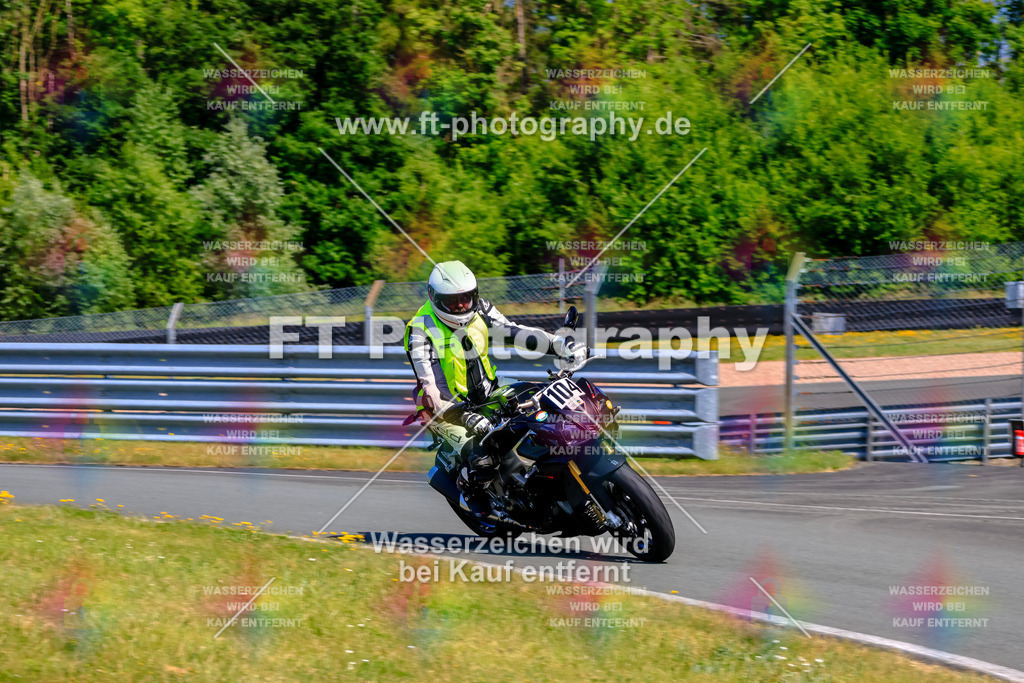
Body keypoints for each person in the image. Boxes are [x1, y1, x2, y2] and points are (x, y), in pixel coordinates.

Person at [404, 260, 586, 515]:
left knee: (547, 405)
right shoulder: (420, 330)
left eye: (466, 298)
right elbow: (431, 388)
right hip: (446, 409)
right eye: (452, 301)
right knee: (482, 458)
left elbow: (515, 332)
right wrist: (465, 416)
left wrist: (558, 345)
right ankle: (472, 492)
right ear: (433, 297)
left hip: (490, 391)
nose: (460, 306)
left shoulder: (481, 309)